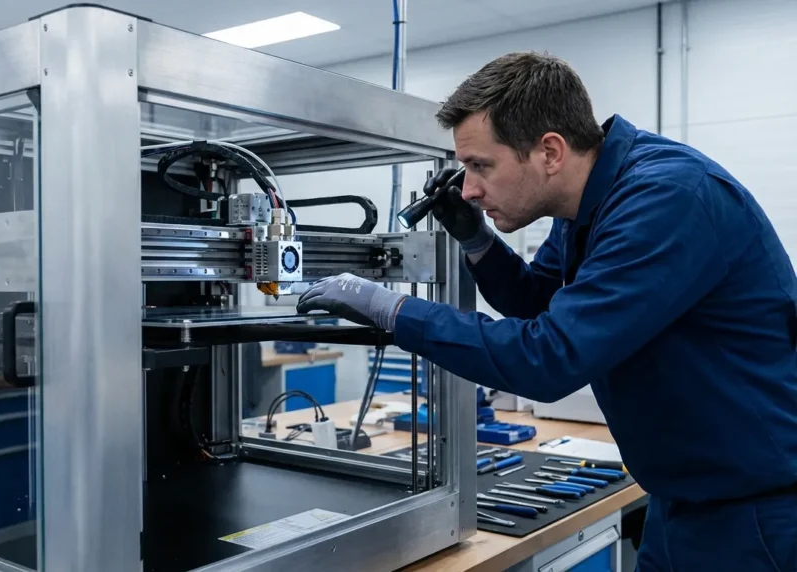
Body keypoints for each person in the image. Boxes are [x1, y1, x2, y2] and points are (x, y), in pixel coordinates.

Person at [297, 52, 797, 570]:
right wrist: (475, 238)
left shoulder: (666, 199)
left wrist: (389, 308)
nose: (468, 188)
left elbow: (549, 357)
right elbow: (539, 302)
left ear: (550, 151)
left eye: (480, 166)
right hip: (682, 503)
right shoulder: (586, 201)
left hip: (754, 517)